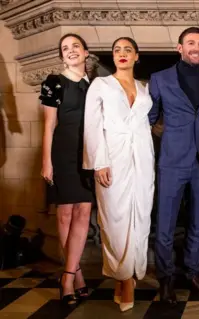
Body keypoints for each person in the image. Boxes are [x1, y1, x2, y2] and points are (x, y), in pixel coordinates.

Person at [83, 37, 154, 312]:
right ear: (112, 57)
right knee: (115, 218)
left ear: (137, 56)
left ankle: (132, 271)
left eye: (128, 50)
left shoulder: (143, 88)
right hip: (113, 158)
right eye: (117, 50)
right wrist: (99, 162)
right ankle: (123, 278)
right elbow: (92, 125)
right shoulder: (101, 85)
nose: (122, 54)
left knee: (140, 215)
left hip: (143, 160)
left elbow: (146, 126)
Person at [148, 27, 199, 304]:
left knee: (197, 223)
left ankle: (192, 272)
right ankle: (166, 280)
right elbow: (149, 119)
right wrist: (171, 138)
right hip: (172, 162)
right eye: (191, 43)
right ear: (180, 47)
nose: (196, 47)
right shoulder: (160, 78)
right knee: (165, 224)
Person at [39, 33, 95, 306]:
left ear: (86, 52)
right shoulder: (54, 82)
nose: (70, 51)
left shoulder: (95, 84)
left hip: (88, 156)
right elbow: (49, 125)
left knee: (84, 211)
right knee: (65, 214)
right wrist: (46, 161)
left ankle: (72, 274)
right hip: (62, 153)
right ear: (62, 56)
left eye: (75, 46)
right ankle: (71, 276)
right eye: (65, 48)